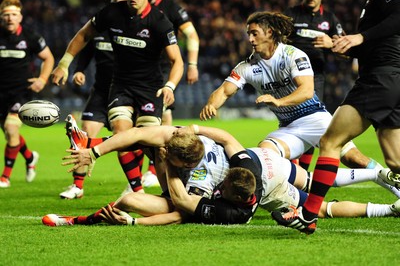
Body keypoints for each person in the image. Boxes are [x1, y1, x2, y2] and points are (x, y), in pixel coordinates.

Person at [42, 123, 400, 227]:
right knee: (321, 183)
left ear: (179, 160)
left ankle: (388, 209)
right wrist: (95, 149)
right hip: (263, 161)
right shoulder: (193, 139)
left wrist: (164, 169)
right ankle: (377, 174)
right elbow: (228, 138)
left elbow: (181, 207)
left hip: (262, 182)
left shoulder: (197, 180)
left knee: (323, 209)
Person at [271, 0, 400, 234]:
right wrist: (342, 46)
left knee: (330, 141)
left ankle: (308, 215)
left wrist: (360, 36)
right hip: (391, 79)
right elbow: (373, 45)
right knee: (395, 160)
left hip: (379, 79)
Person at [199, 11, 380, 174]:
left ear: (269, 32)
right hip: (288, 126)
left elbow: (307, 91)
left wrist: (279, 102)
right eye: (249, 34)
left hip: (315, 118)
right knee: (265, 155)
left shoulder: (293, 55)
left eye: (254, 33)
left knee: (354, 159)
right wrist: (211, 105)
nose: (250, 39)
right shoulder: (247, 66)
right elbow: (224, 91)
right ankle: (299, 193)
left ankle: (388, 178)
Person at [50, 0, 184, 195]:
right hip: (120, 85)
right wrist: (64, 64)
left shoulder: (159, 21)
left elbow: (177, 60)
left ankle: (169, 195)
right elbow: (83, 35)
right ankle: (137, 191)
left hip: (150, 89)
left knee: (156, 147)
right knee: (122, 135)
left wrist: (170, 85)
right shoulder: (111, 13)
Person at [59, 0, 127, 200]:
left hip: (126, 91)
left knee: (126, 141)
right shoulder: (98, 32)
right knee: (86, 132)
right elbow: (86, 51)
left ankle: (134, 185)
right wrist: (78, 70)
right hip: (100, 91)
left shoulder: (134, 33)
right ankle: (77, 185)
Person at [142, 0, 200, 187]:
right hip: (139, 70)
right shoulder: (131, 8)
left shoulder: (171, 8)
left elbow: (192, 35)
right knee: (155, 118)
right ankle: (152, 169)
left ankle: (154, 169)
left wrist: (192, 64)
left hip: (164, 70)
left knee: (162, 116)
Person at [284, 0, 345, 170]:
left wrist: (331, 44)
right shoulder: (291, 15)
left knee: (309, 123)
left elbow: (347, 51)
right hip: (290, 77)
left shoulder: (330, 19)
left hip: (315, 78)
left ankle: (301, 173)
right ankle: (294, 171)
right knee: (291, 125)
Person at [0, 0, 54, 188]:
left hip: (21, 92)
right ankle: (30, 158)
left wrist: (42, 79)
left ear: (20, 17)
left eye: (14, 14)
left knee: (11, 129)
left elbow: (48, 58)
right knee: (9, 135)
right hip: (1, 94)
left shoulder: (30, 36)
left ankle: (4, 177)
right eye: (6, 15)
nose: (10, 18)